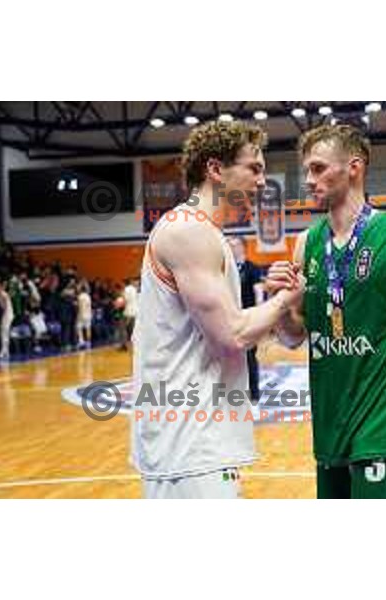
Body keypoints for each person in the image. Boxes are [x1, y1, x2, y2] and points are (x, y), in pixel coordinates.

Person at [266, 124, 386, 499]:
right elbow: (294, 337)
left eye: (319, 168)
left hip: (385, 424)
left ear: (354, 168)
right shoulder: (305, 243)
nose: (308, 180)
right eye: (306, 170)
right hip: (328, 425)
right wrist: (282, 306)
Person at [132, 120, 304, 499]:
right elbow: (234, 334)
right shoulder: (187, 231)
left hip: (202, 435)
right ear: (215, 169)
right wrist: (284, 300)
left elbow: (254, 330)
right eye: (253, 169)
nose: (262, 182)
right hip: (187, 439)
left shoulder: (207, 233)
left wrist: (279, 304)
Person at [228, 236, 265, 403]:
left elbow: (258, 292)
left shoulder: (252, 268)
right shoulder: (225, 271)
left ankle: (254, 395)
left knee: (249, 357)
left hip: (247, 318)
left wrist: (258, 314)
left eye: (234, 245)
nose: (231, 248)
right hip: (228, 319)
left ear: (243, 247)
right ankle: (233, 394)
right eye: (229, 246)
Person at [0, 281, 14, 360]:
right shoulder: (2, 294)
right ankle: (6, 352)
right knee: (5, 333)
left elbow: (4, 307)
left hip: (7, 315)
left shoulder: (3, 294)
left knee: (4, 333)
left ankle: (4, 352)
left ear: (0, 287)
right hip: (7, 315)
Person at [122, 278, 138, 351]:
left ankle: (125, 345)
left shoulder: (126, 289)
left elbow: (125, 300)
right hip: (135, 312)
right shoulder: (135, 289)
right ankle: (134, 345)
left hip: (128, 312)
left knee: (124, 329)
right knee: (133, 330)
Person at [76, 282, 93, 349]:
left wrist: (79, 314)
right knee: (88, 328)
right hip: (88, 314)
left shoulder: (80, 296)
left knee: (79, 328)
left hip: (82, 314)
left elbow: (80, 306)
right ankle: (89, 343)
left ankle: (81, 341)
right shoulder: (88, 296)